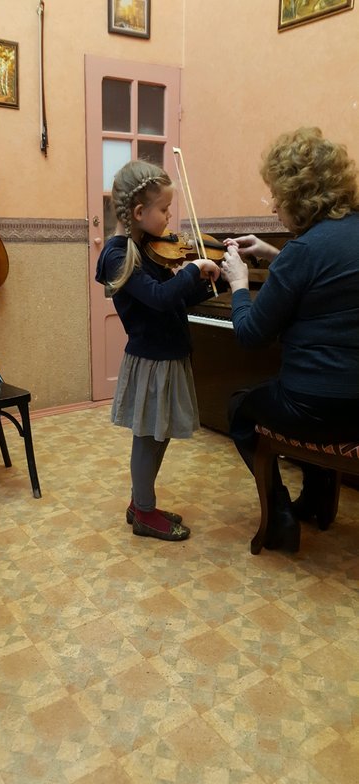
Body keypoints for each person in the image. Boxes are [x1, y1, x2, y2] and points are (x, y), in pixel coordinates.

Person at [219, 126, 359, 553]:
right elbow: (327, 278)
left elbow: (250, 335)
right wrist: (273, 254)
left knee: (241, 409)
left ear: (300, 195)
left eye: (277, 195)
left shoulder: (304, 250)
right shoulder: (333, 239)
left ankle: (279, 516)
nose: (276, 205)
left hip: (316, 409)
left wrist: (238, 283)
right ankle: (316, 499)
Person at [96, 160, 221, 541]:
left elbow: (175, 300)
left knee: (159, 433)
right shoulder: (118, 255)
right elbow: (159, 298)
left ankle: (141, 502)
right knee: (148, 437)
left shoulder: (149, 248)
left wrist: (205, 281)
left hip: (168, 355)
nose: (169, 217)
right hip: (151, 361)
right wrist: (190, 271)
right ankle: (145, 513)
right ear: (139, 212)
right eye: (164, 209)